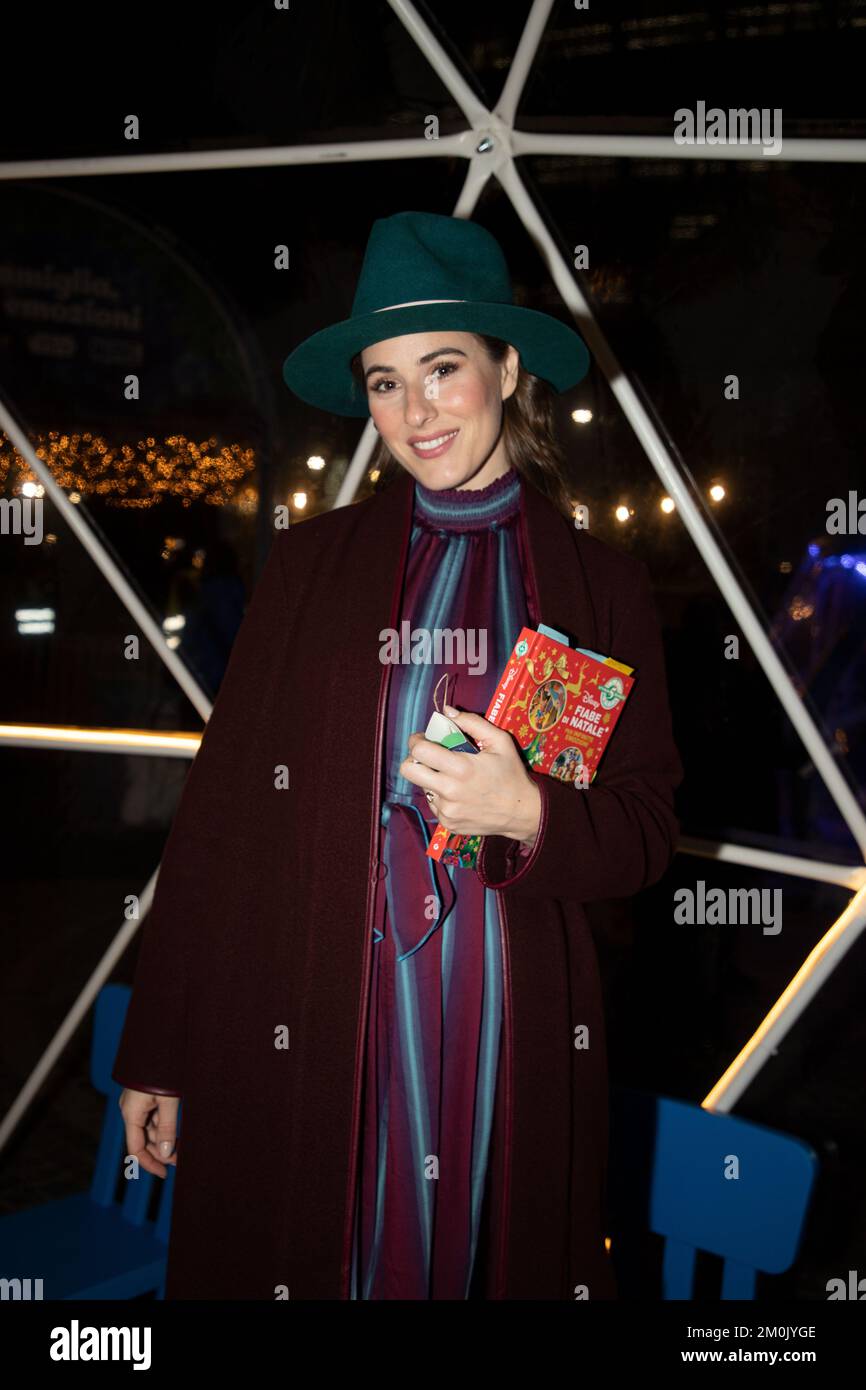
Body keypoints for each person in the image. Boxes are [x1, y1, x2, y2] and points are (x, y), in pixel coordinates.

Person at [113, 210, 684, 1300]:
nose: (413, 412)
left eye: (440, 369)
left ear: (506, 368)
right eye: (383, 382)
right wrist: (161, 1046)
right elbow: (221, 821)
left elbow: (646, 831)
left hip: (500, 1018)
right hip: (314, 1001)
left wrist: (528, 815)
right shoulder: (309, 568)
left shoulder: (600, 585)